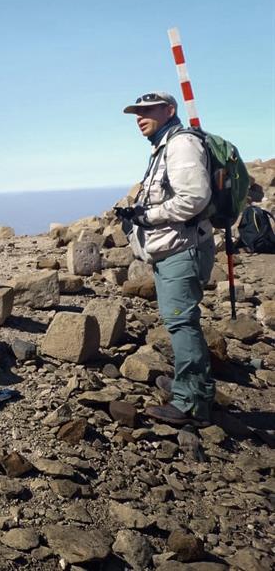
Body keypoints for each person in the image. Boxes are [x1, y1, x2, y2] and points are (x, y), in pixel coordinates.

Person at [116, 91, 216, 426]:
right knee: (179, 321)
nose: (139, 117)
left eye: (147, 110)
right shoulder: (164, 146)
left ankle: (193, 405)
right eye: (136, 113)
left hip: (181, 249)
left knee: (182, 323)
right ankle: (188, 386)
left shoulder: (181, 145)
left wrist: (149, 217)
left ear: (169, 110)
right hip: (171, 248)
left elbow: (195, 197)